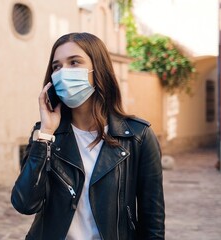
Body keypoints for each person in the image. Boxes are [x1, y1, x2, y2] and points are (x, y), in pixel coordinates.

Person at [10, 32, 165, 240]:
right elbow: (25, 204)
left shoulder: (137, 137)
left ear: (97, 69)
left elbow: (152, 221)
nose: (63, 72)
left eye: (74, 62)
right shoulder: (45, 134)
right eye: (57, 66)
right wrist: (46, 134)